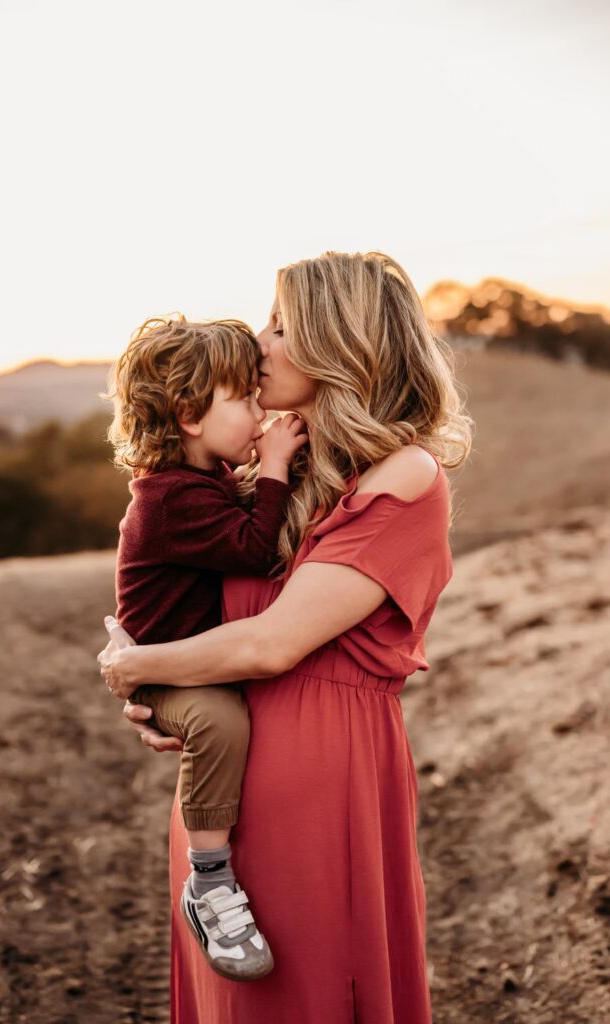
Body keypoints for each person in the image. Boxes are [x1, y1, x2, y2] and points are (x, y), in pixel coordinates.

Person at [99, 250, 473, 1023]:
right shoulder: (282, 475)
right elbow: (191, 604)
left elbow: (271, 644)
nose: (260, 344)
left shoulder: (401, 475)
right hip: (227, 787)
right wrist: (163, 692)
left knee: (308, 992)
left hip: (322, 772)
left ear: (340, 343)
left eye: (279, 325)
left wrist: (133, 666)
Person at [106, 314, 308, 980]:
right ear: (191, 414)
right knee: (220, 719)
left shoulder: (199, 484)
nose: (260, 413)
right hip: (171, 678)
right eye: (244, 400)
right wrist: (275, 465)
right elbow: (254, 545)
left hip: (188, 661)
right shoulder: (171, 501)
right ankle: (210, 881)